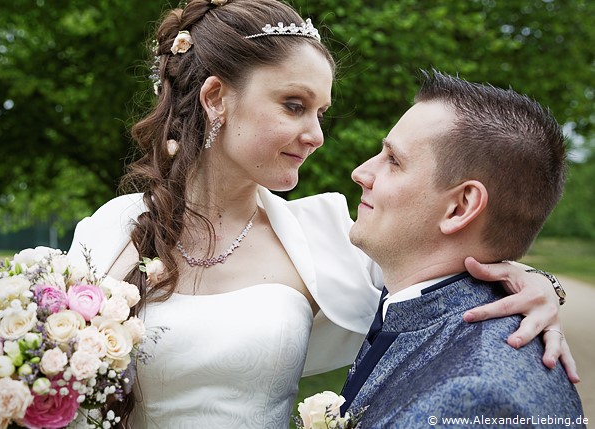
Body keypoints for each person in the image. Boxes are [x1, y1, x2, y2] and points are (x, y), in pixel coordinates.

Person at [66, 1, 576, 428]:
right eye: (294, 105)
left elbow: (446, 265)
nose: (317, 134)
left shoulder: (330, 233)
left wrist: (537, 284)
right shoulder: (110, 230)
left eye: (321, 113)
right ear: (216, 97)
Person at [340, 71, 584, 427]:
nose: (361, 172)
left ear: (461, 207)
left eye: (393, 160)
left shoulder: (472, 399)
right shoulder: (415, 304)